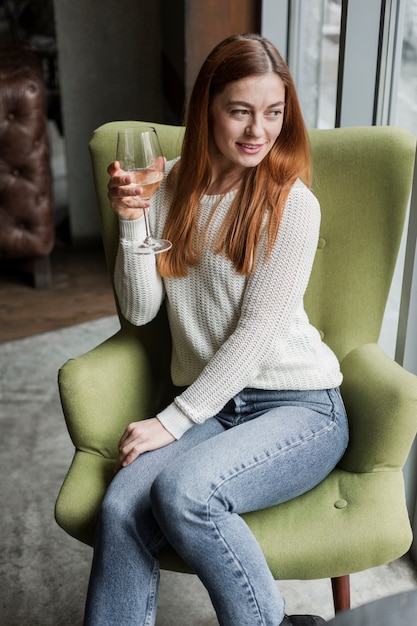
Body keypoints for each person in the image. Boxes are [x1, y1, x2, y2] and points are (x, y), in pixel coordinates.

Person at [84, 33, 349, 626]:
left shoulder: (292, 203)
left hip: (301, 408)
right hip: (217, 405)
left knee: (185, 492)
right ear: (207, 108)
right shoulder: (168, 184)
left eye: (274, 112)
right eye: (241, 111)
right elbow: (141, 309)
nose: (260, 130)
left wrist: (169, 421)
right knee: (121, 505)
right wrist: (132, 222)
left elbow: (257, 334)